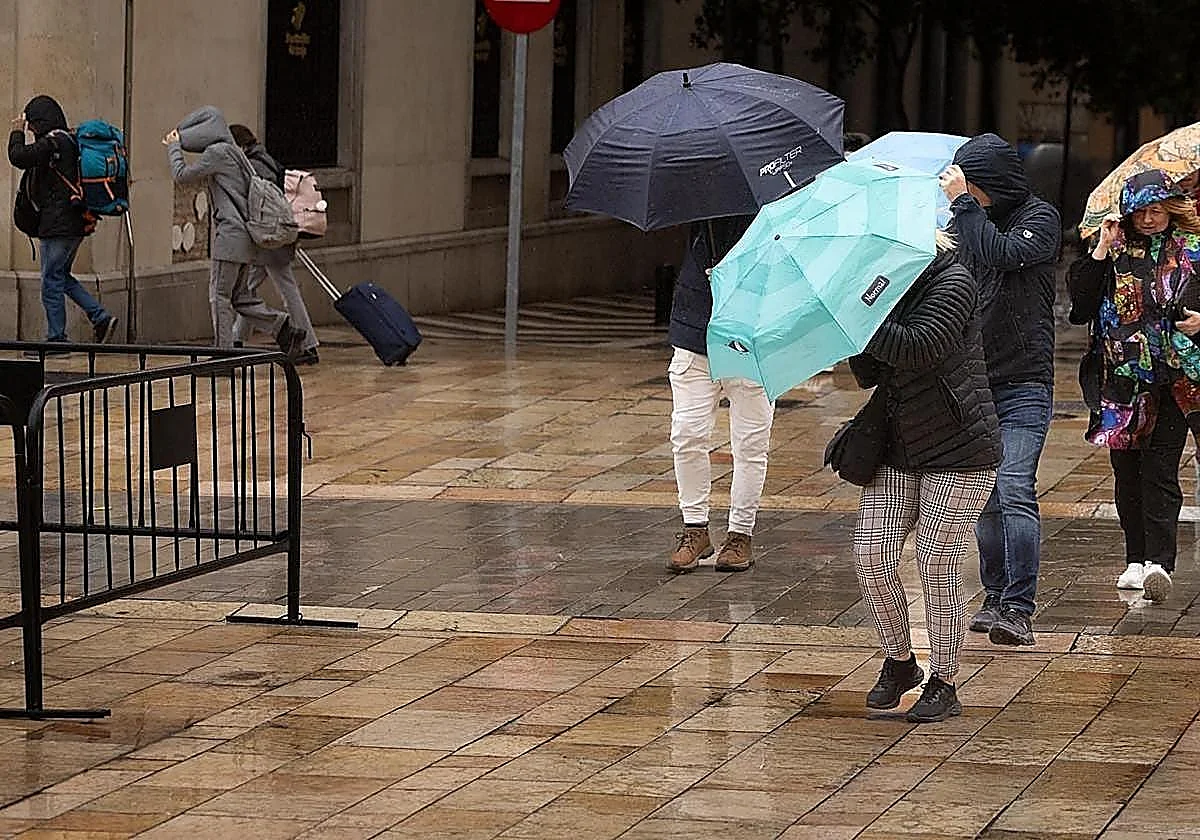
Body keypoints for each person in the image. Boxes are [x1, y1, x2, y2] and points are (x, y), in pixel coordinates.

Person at [850, 229, 1001, 723]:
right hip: (896, 442)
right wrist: (852, 320)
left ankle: (944, 679)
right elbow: (869, 371)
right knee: (872, 554)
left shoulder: (953, 280)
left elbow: (919, 347)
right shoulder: (880, 285)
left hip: (959, 447)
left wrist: (859, 314)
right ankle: (899, 661)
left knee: (937, 560)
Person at [940, 134, 1061, 647]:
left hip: (1026, 380)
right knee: (986, 498)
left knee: (1014, 486)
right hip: (975, 379)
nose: (971, 197)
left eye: (975, 188)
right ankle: (993, 596)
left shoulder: (1040, 218)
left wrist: (965, 205)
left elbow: (1001, 254)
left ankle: (1019, 607)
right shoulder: (965, 223)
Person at [1067, 170, 1200, 603]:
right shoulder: (1112, 250)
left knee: (1161, 470)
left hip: (1175, 379)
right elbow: (1080, 305)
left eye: (1156, 210)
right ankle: (1135, 559)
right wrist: (1102, 249)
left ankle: (1160, 562)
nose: (1148, 219)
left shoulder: (1193, 250)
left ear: (1171, 210)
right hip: (1121, 380)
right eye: (1140, 211)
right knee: (1126, 473)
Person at [667, 215, 774, 574]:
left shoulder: (776, 192)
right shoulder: (696, 188)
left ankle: (740, 535)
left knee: (750, 445)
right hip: (695, 333)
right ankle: (695, 529)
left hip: (752, 336)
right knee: (687, 434)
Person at [164, 106, 304, 356]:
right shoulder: (236, 153)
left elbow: (181, 175)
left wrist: (175, 146)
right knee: (240, 297)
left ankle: (223, 356)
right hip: (246, 238)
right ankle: (282, 327)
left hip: (230, 237)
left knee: (219, 296)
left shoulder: (217, 154)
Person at [8, 95, 118, 348]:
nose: (31, 129)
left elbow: (19, 157)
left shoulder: (53, 142)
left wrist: (16, 131)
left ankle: (56, 339)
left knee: (50, 281)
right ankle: (100, 317)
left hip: (59, 224)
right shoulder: (67, 140)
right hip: (74, 222)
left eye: (33, 124)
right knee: (60, 275)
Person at [228, 124, 319, 365]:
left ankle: (307, 344)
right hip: (273, 238)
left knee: (286, 289)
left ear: (240, 145)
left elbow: (259, 203)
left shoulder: (255, 165)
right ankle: (236, 338)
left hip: (271, 240)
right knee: (247, 288)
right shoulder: (265, 159)